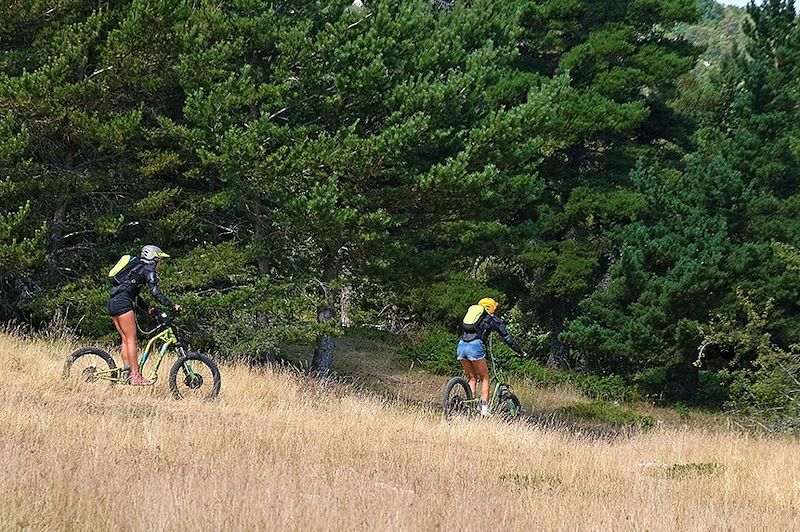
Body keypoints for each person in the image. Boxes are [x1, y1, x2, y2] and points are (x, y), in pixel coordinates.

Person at [107, 245, 181, 385]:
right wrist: (172, 305)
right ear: (154, 259)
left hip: (113, 302)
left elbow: (133, 295)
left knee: (125, 339)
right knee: (131, 339)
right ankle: (135, 376)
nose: (160, 265)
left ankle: (127, 373)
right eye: (159, 261)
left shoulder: (136, 269)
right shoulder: (148, 268)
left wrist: (148, 308)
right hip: (122, 303)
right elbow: (155, 292)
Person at [457, 297, 525, 416]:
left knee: (472, 378)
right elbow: (507, 337)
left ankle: (470, 406)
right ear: (492, 307)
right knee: (485, 378)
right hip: (475, 346)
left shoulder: (474, 318)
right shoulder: (491, 319)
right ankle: (484, 409)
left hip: (461, 345)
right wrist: (519, 352)